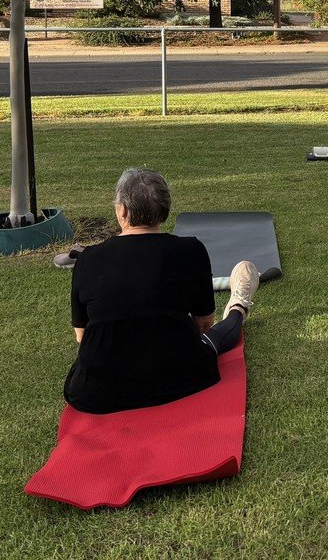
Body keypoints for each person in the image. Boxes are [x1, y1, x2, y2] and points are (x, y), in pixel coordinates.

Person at [63, 168, 260, 414]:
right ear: (164, 210)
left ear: (122, 210)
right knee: (211, 340)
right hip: (184, 378)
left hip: (95, 394)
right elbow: (204, 324)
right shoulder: (191, 250)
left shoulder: (87, 259)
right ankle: (238, 307)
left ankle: (238, 306)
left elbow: (82, 336)